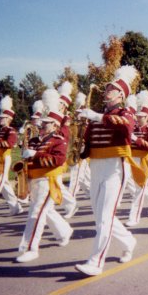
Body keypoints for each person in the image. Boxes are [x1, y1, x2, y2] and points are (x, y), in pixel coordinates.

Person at [74, 66, 140, 276]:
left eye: (111, 89)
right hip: (96, 167)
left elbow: (126, 128)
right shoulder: (98, 116)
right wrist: (80, 151)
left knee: (104, 217)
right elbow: (88, 142)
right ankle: (128, 240)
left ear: (121, 94)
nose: (106, 91)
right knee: (100, 216)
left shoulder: (125, 112)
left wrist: (96, 117)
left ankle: (96, 261)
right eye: (107, 89)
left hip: (114, 168)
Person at [16, 94, 73, 263]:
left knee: (36, 213)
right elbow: (27, 158)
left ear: (55, 125)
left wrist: (36, 155)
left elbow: (58, 160)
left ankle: (31, 247)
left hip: (48, 181)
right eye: (43, 121)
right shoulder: (34, 140)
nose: (42, 124)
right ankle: (64, 232)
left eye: (47, 122)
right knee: (45, 211)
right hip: (33, 180)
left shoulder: (58, 140)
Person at [126, 90, 148, 227]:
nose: (138, 119)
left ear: (147, 118)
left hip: (144, 160)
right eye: (138, 116)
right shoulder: (133, 128)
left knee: (140, 189)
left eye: (141, 117)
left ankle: (134, 217)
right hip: (133, 159)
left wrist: (136, 139)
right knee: (140, 187)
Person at [54, 82, 79, 219]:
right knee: (53, 182)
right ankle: (69, 204)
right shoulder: (55, 116)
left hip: (61, 151)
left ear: (64, 105)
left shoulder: (66, 118)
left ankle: (71, 203)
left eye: (59, 103)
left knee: (56, 182)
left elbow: (65, 134)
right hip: (52, 150)